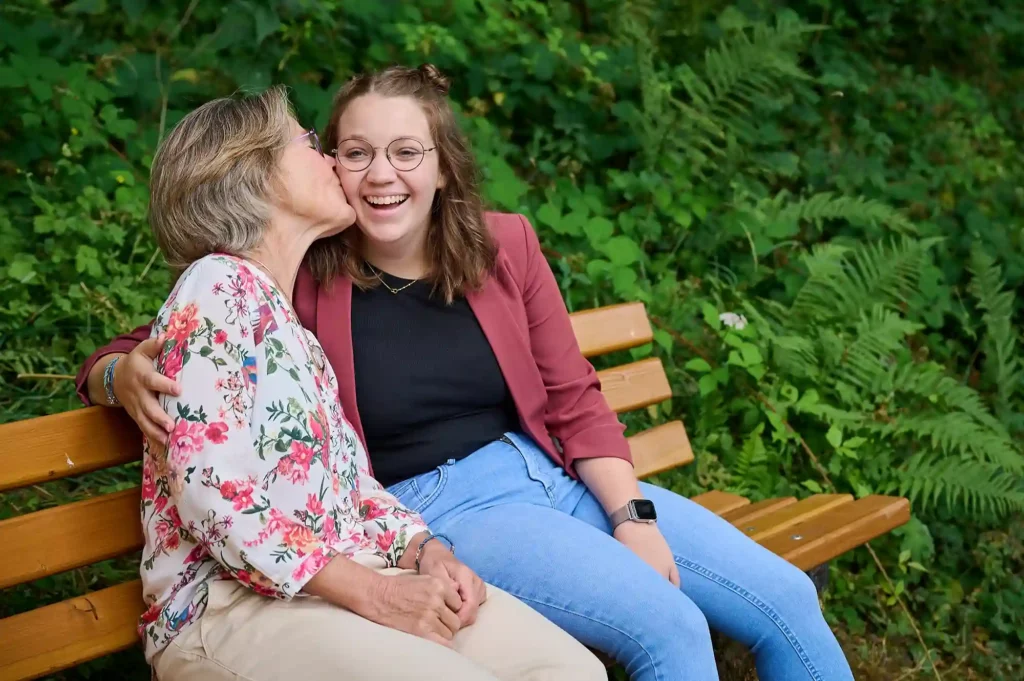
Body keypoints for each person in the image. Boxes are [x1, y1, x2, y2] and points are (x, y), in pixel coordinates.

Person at [79, 65, 855, 681]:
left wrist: (633, 519)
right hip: (447, 505)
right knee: (670, 625)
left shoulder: (501, 246)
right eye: (349, 151)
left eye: (406, 151)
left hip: (547, 480)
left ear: (444, 165)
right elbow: (166, 345)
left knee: (786, 597)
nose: (379, 174)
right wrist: (116, 375)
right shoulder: (292, 273)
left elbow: (573, 397)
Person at [118, 84, 606, 681]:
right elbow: (212, 494)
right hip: (226, 607)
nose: (330, 160)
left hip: (332, 584)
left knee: (569, 670)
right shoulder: (216, 289)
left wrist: (425, 552)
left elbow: (351, 486)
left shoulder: (285, 321)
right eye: (307, 143)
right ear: (255, 175)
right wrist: (374, 594)